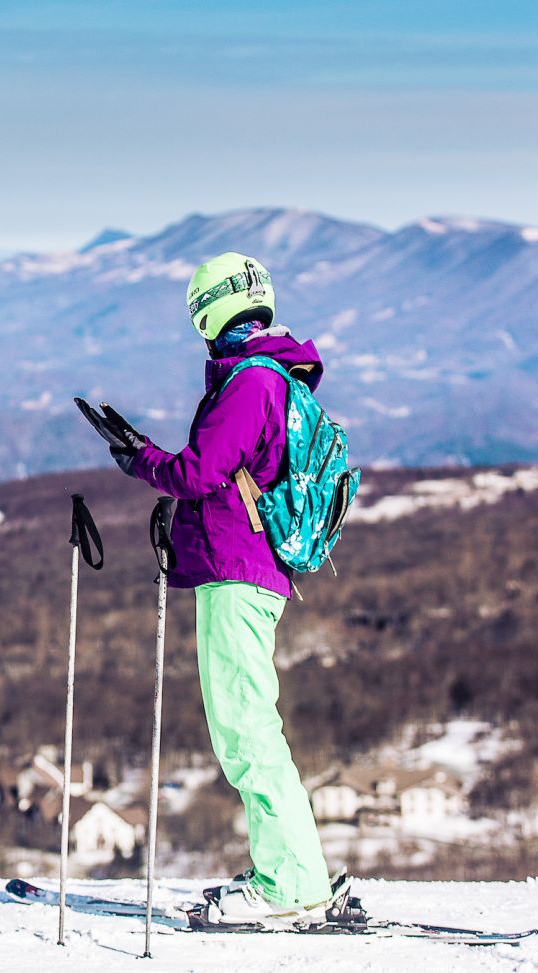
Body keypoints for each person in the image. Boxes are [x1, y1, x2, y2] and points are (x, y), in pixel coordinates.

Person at [80, 251, 344, 927]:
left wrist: (138, 456)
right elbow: (224, 479)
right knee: (250, 722)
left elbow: (200, 472)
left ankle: (290, 884)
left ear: (209, 311)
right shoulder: (274, 373)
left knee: (244, 727)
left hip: (238, 572)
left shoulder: (252, 381)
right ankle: (295, 870)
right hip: (244, 567)